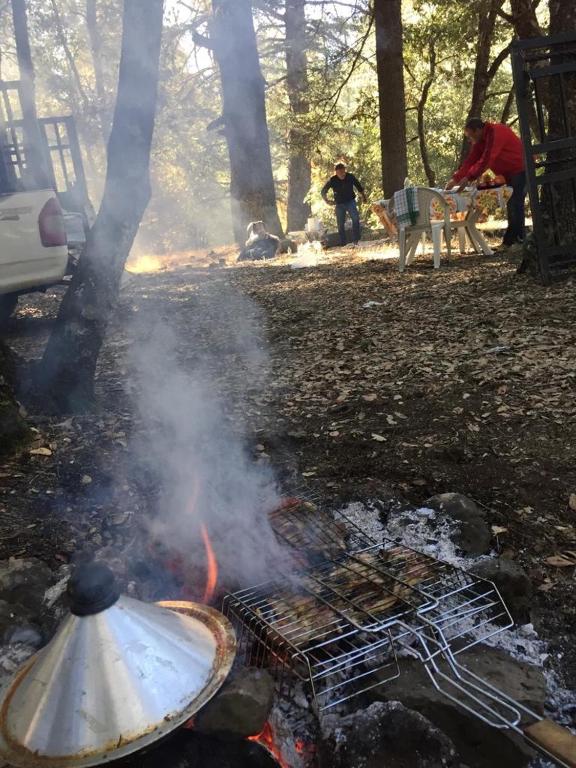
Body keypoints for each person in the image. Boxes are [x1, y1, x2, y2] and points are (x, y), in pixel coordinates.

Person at [446, 118, 526, 253]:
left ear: (478, 130)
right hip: (507, 173)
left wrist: (469, 177)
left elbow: (487, 159)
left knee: (516, 204)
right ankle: (510, 241)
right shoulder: (480, 141)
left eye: (471, 135)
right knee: (511, 204)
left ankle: (519, 240)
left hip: (520, 169)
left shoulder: (496, 132)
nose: (470, 139)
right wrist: (455, 179)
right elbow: (471, 160)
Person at [321, 162, 367, 246]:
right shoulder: (333, 180)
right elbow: (323, 191)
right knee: (340, 224)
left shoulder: (350, 177)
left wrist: (364, 197)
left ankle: (356, 240)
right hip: (339, 204)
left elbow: (359, 186)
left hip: (350, 201)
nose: (342, 174)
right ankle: (343, 243)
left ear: (345, 170)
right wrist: (327, 200)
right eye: (339, 173)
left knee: (355, 219)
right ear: (336, 172)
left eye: (343, 172)